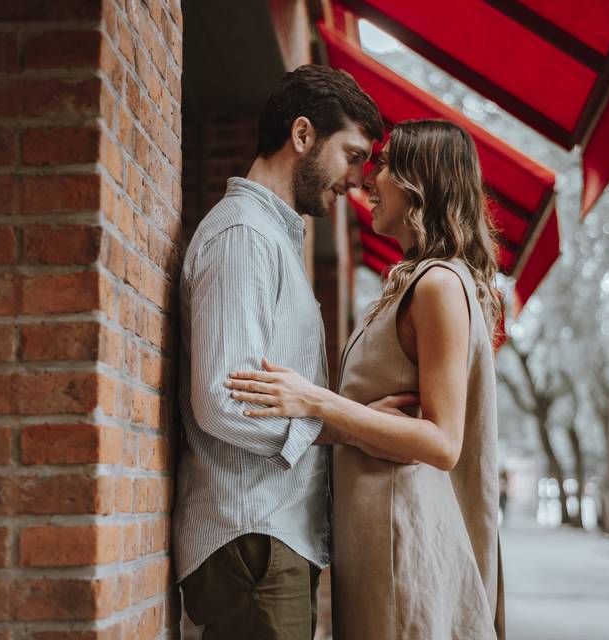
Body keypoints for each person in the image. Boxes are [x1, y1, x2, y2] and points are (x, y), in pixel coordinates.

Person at [228, 119, 507, 639]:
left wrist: (315, 402)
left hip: (403, 540)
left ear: (421, 181)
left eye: (383, 166)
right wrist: (345, 420)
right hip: (376, 540)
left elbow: (444, 443)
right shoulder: (417, 281)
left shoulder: (439, 285)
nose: (367, 180)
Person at [173, 64, 383, 639]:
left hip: (269, 538)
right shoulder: (244, 237)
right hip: (253, 538)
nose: (356, 183)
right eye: (353, 155)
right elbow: (219, 402)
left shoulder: (273, 240)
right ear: (302, 135)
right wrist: (335, 425)